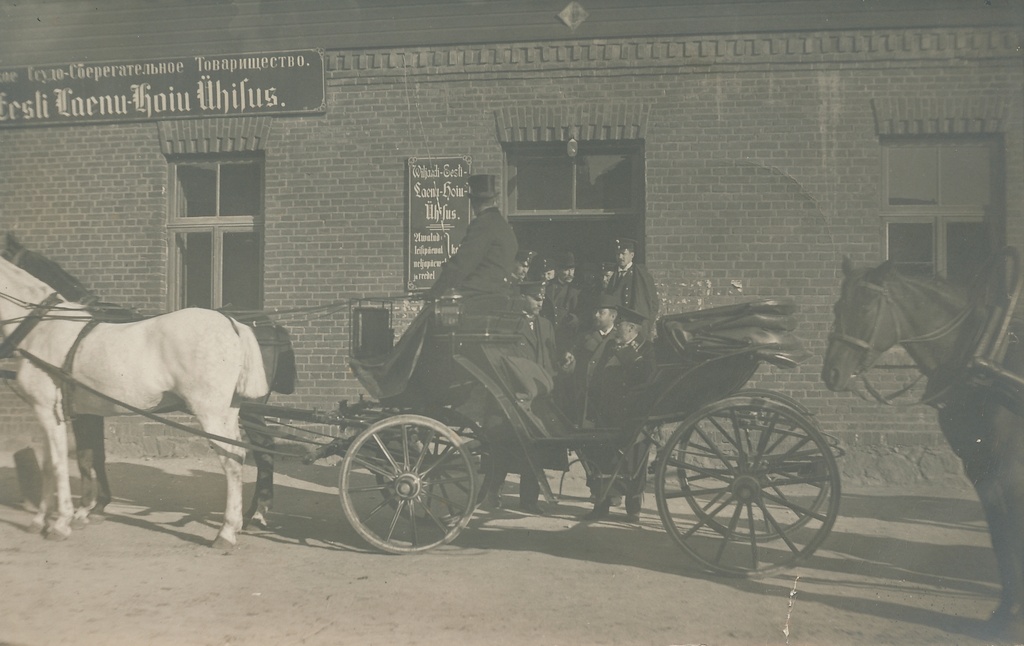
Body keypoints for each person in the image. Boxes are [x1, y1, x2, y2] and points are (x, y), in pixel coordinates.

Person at [479, 280, 567, 515]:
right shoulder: (509, 324)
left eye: (542, 298)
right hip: (512, 395)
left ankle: (529, 500)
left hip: (537, 398)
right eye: (535, 298)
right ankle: (492, 491)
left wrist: (563, 365)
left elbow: (549, 358)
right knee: (503, 447)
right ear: (523, 298)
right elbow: (499, 360)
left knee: (535, 449)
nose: (540, 302)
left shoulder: (546, 325)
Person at [578, 305, 657, 523]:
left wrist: (626, 354)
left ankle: (633, 510)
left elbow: (647, 377)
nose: (617, 330)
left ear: (631, 329)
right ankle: (601, 506)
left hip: (633, 415)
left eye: (620, 326)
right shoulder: (611, 345)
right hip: (607, 413)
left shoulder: (647, 348)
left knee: (634, 463)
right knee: (602, 458)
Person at [425, 174, 518, 313]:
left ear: (473, 202)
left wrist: (435, 293)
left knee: (428, 320)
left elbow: (462, 264)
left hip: (478, 296)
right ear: (495, 200)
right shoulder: (504, 226)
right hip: (500, 295)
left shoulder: (483, 224)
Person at [604, 238, 659, 338]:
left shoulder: (642, 275)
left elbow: (653, 303)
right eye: (617, 254)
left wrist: (647, 324)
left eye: (623, 253)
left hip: (635, 326)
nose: (620, 257)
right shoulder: (613, 275)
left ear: (632, 255)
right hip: (618, 325)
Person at [545, 251, 581, 352]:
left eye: (572, 269)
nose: (570, 273)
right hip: (547, 334)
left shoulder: (577, 291)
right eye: (566, 269)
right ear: (558, 270)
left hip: (565, 337)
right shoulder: (547, 287)